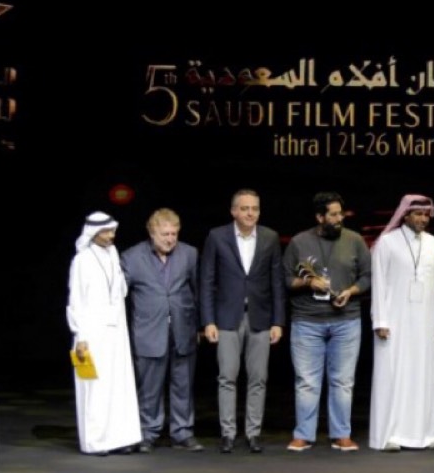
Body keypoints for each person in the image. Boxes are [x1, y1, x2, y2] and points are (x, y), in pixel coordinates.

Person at [200, 189, 286, 454]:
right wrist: (208, 321)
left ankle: (253, 433)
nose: (251, 213)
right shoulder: (217, 236)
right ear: (233, 211)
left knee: (258, 378)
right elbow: (207, 280)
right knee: (227, 376)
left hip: (260, 316)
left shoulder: (270, 237)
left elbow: (277, 282)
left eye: (255, 208)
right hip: (227, 317)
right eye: (245, 208)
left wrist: (278, 321)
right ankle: (228, 433)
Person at [284, 191, 371, 453]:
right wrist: (308, 282)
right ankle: (303, 435)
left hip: (346, 321)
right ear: (319, 217)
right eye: (333, 215)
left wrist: (350, 291)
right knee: (307, 382)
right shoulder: (299, 242)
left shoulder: (355, 240)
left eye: (340, 213)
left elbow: (367, 276)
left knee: (343, 381)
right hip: (307, 321)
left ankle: (341, 434)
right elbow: (285, 280)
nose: (339, 218)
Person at [369, 194, 434, 452]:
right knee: (393, 375)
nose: (423, 219)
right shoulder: (387, 242)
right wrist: (380, 319)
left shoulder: (433, 243)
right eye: (418, 214)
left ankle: (424, 434)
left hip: (423, 320)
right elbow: (379, 282)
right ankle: (390, 434)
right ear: (405, 215)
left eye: (427, 215)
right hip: (394, 320)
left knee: (422, 374)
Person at [120, 208, 202, 452]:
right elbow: (118, 297)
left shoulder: (189, 254)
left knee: (183, 386)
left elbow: (198, 291)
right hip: (148, 332)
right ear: (151, 233)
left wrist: (199, 325)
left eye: (174, 234)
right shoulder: (131, 257)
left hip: (183, 330)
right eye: (165, 234)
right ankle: (148, 433)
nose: (170, 239)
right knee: (149, 388)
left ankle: (182, 433)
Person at [66, 212, 142, 455]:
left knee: (118, 385)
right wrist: (80, 335)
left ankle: (119, 438)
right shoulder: (82, 260)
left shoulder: (113, 253)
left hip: (116, 331)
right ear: (93, 233)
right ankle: (96, 441)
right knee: (95, 387)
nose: (111, 236)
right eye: (106, 232)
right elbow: (76, 299)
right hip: (91, 332)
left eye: (112, 231)